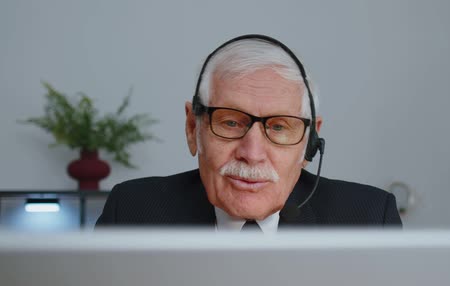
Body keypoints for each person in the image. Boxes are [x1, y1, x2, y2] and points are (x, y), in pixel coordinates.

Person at [96, 34, 402, 232]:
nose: (252, 153)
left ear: (309, 145)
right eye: (231, 122)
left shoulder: (370, 219)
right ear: (193, 128)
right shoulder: (131, 212)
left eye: (279, 127)